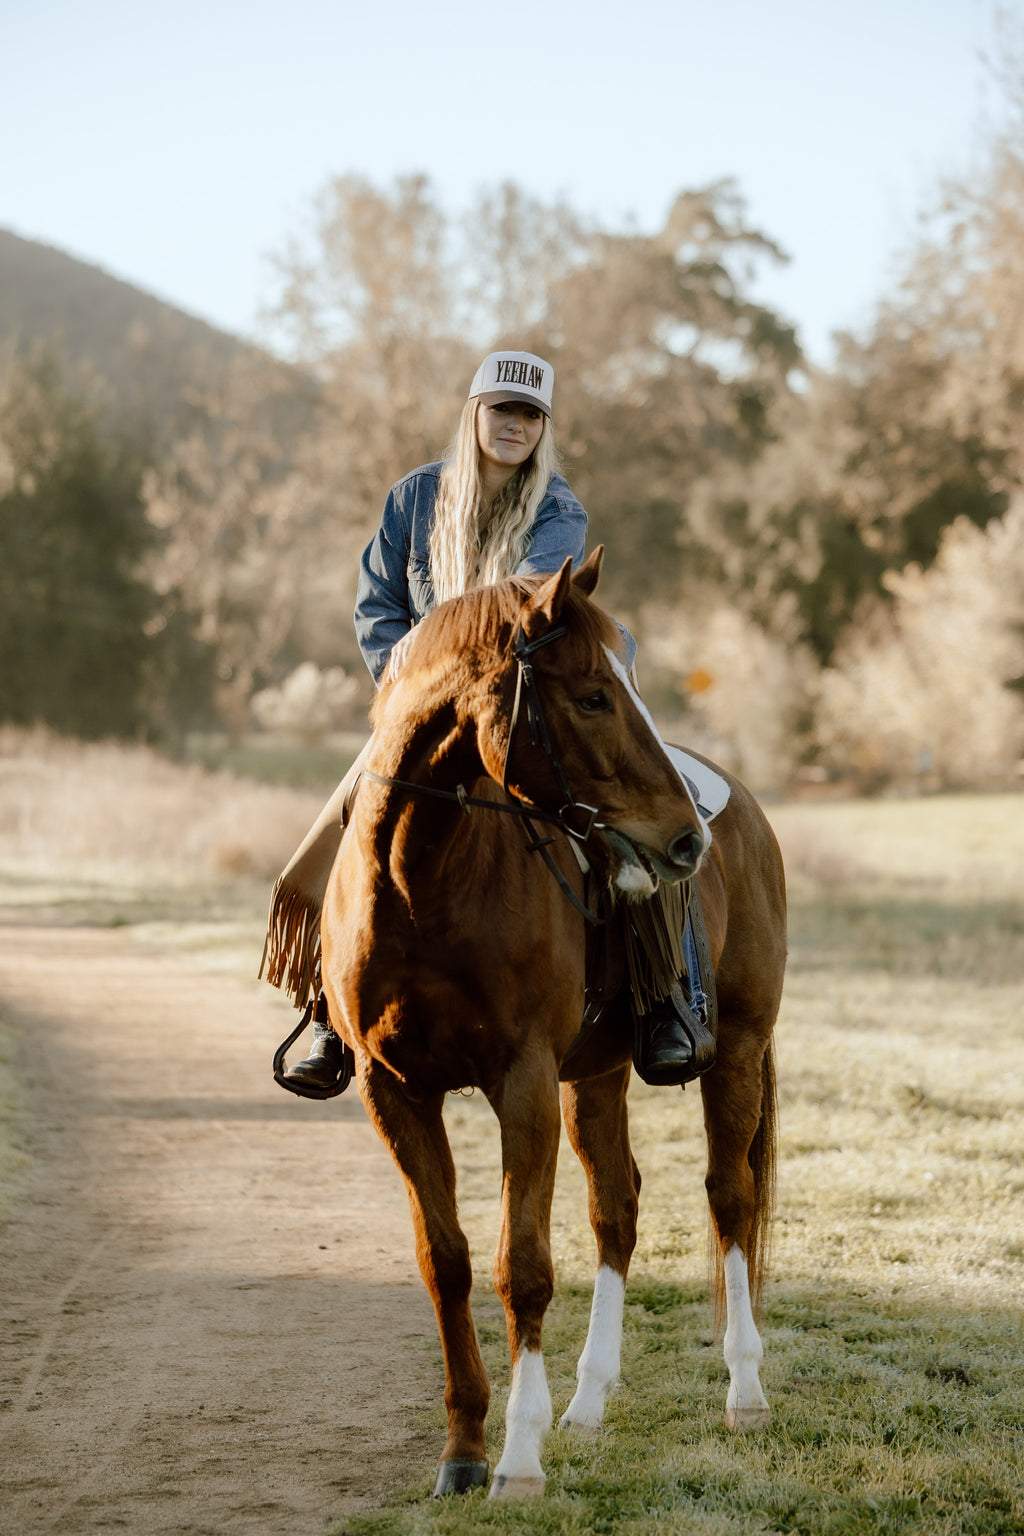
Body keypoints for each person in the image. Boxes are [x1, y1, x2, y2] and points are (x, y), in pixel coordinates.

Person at [262, 350, 713, 1092]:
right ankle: (329, 1010)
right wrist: (410, 694)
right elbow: (377, 608)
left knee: (631, 810)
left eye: (531, 415)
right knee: (343, 827)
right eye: (504, 410)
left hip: (525, 696)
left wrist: (469, 669)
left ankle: (664, 997)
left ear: (544, 428)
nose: (515, 426)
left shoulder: (558, 510)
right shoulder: (413, 499)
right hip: (427, 705)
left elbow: (525, 610)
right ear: (475, 413)